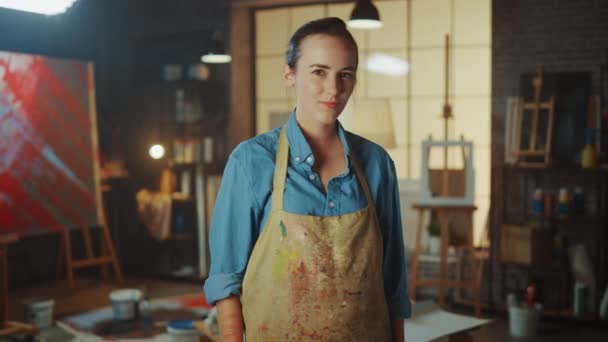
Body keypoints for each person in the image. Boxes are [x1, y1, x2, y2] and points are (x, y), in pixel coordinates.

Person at [204, 17, 411, 341]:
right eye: (319, 72)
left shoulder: (377, 164)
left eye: (346, 74)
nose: (334, 88)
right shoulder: (251, 162)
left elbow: (393, 283)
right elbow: (226, 280)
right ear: (290, 74)